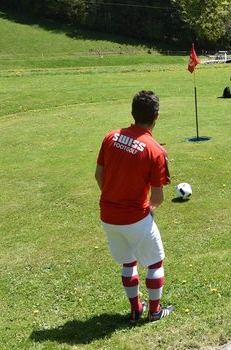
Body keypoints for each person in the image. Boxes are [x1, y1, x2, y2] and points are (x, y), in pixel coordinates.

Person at [95, 90, 174, 323]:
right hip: (136, 217)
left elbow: (99, 175)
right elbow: (158, 197)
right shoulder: (156, 151)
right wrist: (149, 208)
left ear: (132, 112)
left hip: (108, 216)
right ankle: (155, 312)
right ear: (156, 116)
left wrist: (114, 197)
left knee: (128, 262)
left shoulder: (111, 137)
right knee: (154, 262)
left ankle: (134, 309)